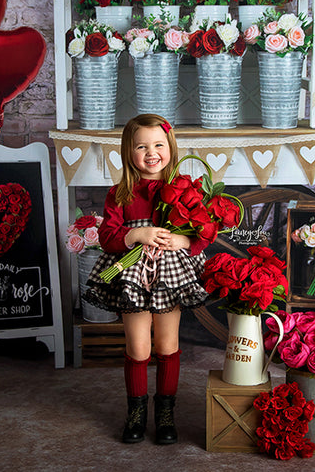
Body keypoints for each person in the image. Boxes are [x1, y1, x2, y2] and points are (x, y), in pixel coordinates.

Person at [84, 114, 209, 445]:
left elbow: (203, 231)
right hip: (133, 277)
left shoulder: (184, 189)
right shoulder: (120, 193)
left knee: (167, 345)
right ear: (129, 152)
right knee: (138, 347)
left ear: (170, 147)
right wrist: (136, 233)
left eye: (158, 145)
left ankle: (165, 413)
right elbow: (108, 236)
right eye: (142, 146)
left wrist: (183, 241)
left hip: (169, 276)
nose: (151, 153)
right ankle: (136, 413)